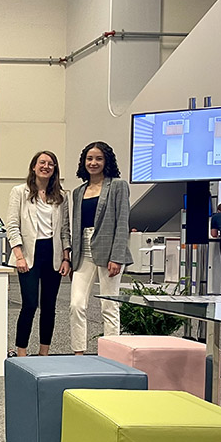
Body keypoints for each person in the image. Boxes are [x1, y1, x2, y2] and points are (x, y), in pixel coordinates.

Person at [69, 141, 132, 355]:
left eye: (98, 158)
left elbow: (122, 222)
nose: (93, 162)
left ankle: (112, 354)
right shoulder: (78, 191)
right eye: (89, 158)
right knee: (76, 305)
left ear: (107, 161)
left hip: (109, 253)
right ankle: (79, 353)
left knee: (109, 306)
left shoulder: (117, 185)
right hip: (83, 253)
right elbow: (76, 226)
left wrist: (117, 256)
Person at [6, 151, 71, 357]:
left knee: (49, 306)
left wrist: (66, 257)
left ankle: (44, 353)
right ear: (34, 166)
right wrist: (18, 255)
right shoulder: (19, 192)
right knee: (30, 304)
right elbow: (12, 225)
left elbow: (65, 230)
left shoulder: (61, 196)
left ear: (55, 169)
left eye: (51, 164)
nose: (46, 166)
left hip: (53, 254)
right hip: (28, 254)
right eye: (42, 162)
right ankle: (22, 351)